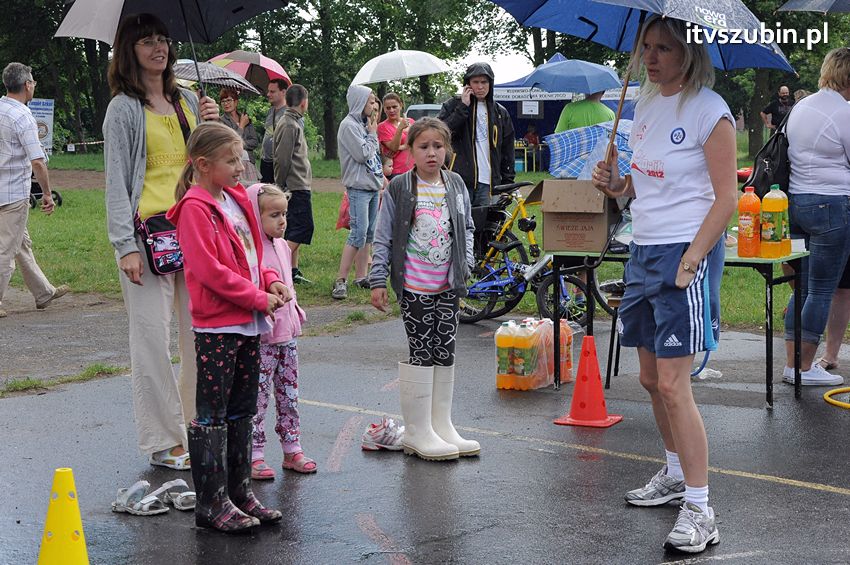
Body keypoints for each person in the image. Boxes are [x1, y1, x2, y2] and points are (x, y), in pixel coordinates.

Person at [591, 16, 736, 553]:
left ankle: (701, 508)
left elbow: (726, 197)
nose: (650, 58)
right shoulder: (646, 105)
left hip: (683, 253)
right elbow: (641, 186)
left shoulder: (711, 112)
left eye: (664, 49)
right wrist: (617, 186)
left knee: (676, 385)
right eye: (646, 47)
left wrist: (693, 259)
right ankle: (675, 474)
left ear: (689, 54)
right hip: (642, 249)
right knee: (650, 379)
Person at [103, 13, 219, 470]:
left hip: (196, 232)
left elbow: (222, 165)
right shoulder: (124, 108)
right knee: (151, 339)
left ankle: (198, 426)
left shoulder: (188, 99)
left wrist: (216, 124)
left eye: (163, 40)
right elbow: (115, 182)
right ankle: (164, 440)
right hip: (148, 238)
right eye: (147, 41)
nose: (159, 48)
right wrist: (124, 245)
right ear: (128, 51)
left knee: (200, 336)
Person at [166, 121, 286, 532]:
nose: (240, 166)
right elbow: (208, 271)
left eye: (241, 158)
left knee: (242, 408)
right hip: (219, 325)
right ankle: (211, 503)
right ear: (202, 164)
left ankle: (239, 493)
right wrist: (256, 297)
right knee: (212, 414)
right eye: (231, 160)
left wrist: (270, 280)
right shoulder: (195, 209)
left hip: (249, 322)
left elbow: (256, 254)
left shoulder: (235, 199)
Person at [369, 117, 480, 461]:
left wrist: (467, 261)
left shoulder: (456, 183)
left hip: (448, 286)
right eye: (424, 146)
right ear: (410, 150)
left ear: (447, 149)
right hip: (416, 287)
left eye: (438, 146)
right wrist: (377, 279)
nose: (432, 153)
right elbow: (383, 234)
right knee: (423, 352)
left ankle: (440, 425)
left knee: (445, 351)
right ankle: (418, 432)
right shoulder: (401, 187)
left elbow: (468, 226)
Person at [781, 47, 850, 386]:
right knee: (823, 289)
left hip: (798, 200)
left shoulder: (802, 106)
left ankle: (792, 362)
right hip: (833, 203)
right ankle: (805, 367)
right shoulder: (844, 112)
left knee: (804, 286)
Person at [244, 183, 315, 478]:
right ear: (253, 216)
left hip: (288, 338)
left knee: (289, 396)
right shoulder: (251, 250)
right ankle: (254, 453)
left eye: (283, 214)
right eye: (273, 215)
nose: (282, 221)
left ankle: (292, 447)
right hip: (263, 339)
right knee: (258, 399)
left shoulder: (284, 247)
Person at [0, 62, 69, 319]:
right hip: (13, 194)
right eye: (33, 82)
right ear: (27, 85)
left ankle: (43, 292)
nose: (34, 86)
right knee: (6, 249)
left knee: (21, 244)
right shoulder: (23, 116)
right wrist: (48, 194)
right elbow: (37, 161)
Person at [437, 62, 515, 207]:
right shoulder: (452, 105)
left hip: (488, 182)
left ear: (490, 83)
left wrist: (508, 183)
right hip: (459, 179)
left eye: (484, 82)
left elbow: (507, 150)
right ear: (468, 84)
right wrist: (462, 108)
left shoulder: (500, 112)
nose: (480, 87)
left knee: (486, 227)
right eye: (476, 82)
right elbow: (440, 134)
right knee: (458, 226)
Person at [332, 85, 384, 299]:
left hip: (372, 186)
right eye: (371, 101)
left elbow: (374, 156)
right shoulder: (349, 126)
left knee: (369, 234)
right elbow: (363, 154)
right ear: (359, 102)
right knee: (358, 233)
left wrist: (381, 179)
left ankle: (361, 276)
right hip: (358, 187)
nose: (374, 105)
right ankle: (340, 280)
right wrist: (373, 135)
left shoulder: (364, 125)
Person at [273, 84, 314, 285]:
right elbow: (282, 158)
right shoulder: (289, 124)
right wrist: (280, 186)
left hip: (299, 184)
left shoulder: (294, 122)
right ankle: (276, 264)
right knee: (303, 227)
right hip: (295, 186)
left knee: (291, 229)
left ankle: (292, 270)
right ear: (304, 102)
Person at [219, 88, 259, 183]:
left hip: (249, 163)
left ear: (236, 102)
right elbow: (230, 143)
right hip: (233, 164)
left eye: (229, 100)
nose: (225, 103)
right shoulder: (221, 121)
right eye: (223, 101)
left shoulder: (245, 118)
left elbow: (254, 141)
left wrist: (239, 144)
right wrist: (241, 126)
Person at [377, 92, 414, 179]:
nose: (391, 110)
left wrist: (403, 147)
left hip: (414, 168)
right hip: (396, 171)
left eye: (394, 107)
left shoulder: (411, 122)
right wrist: (400, 128)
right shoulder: (382, 127)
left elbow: (417, 143)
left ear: (401, 105)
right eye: (388, 108)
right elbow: (393, 147)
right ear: (384, 109)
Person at [260, 78, 288, 183]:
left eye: (272, 91)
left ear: (283, 92)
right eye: (268, 91)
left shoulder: (289, 113)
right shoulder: (270, 111)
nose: (268, 94)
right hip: (265, 162)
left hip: (279, 163)